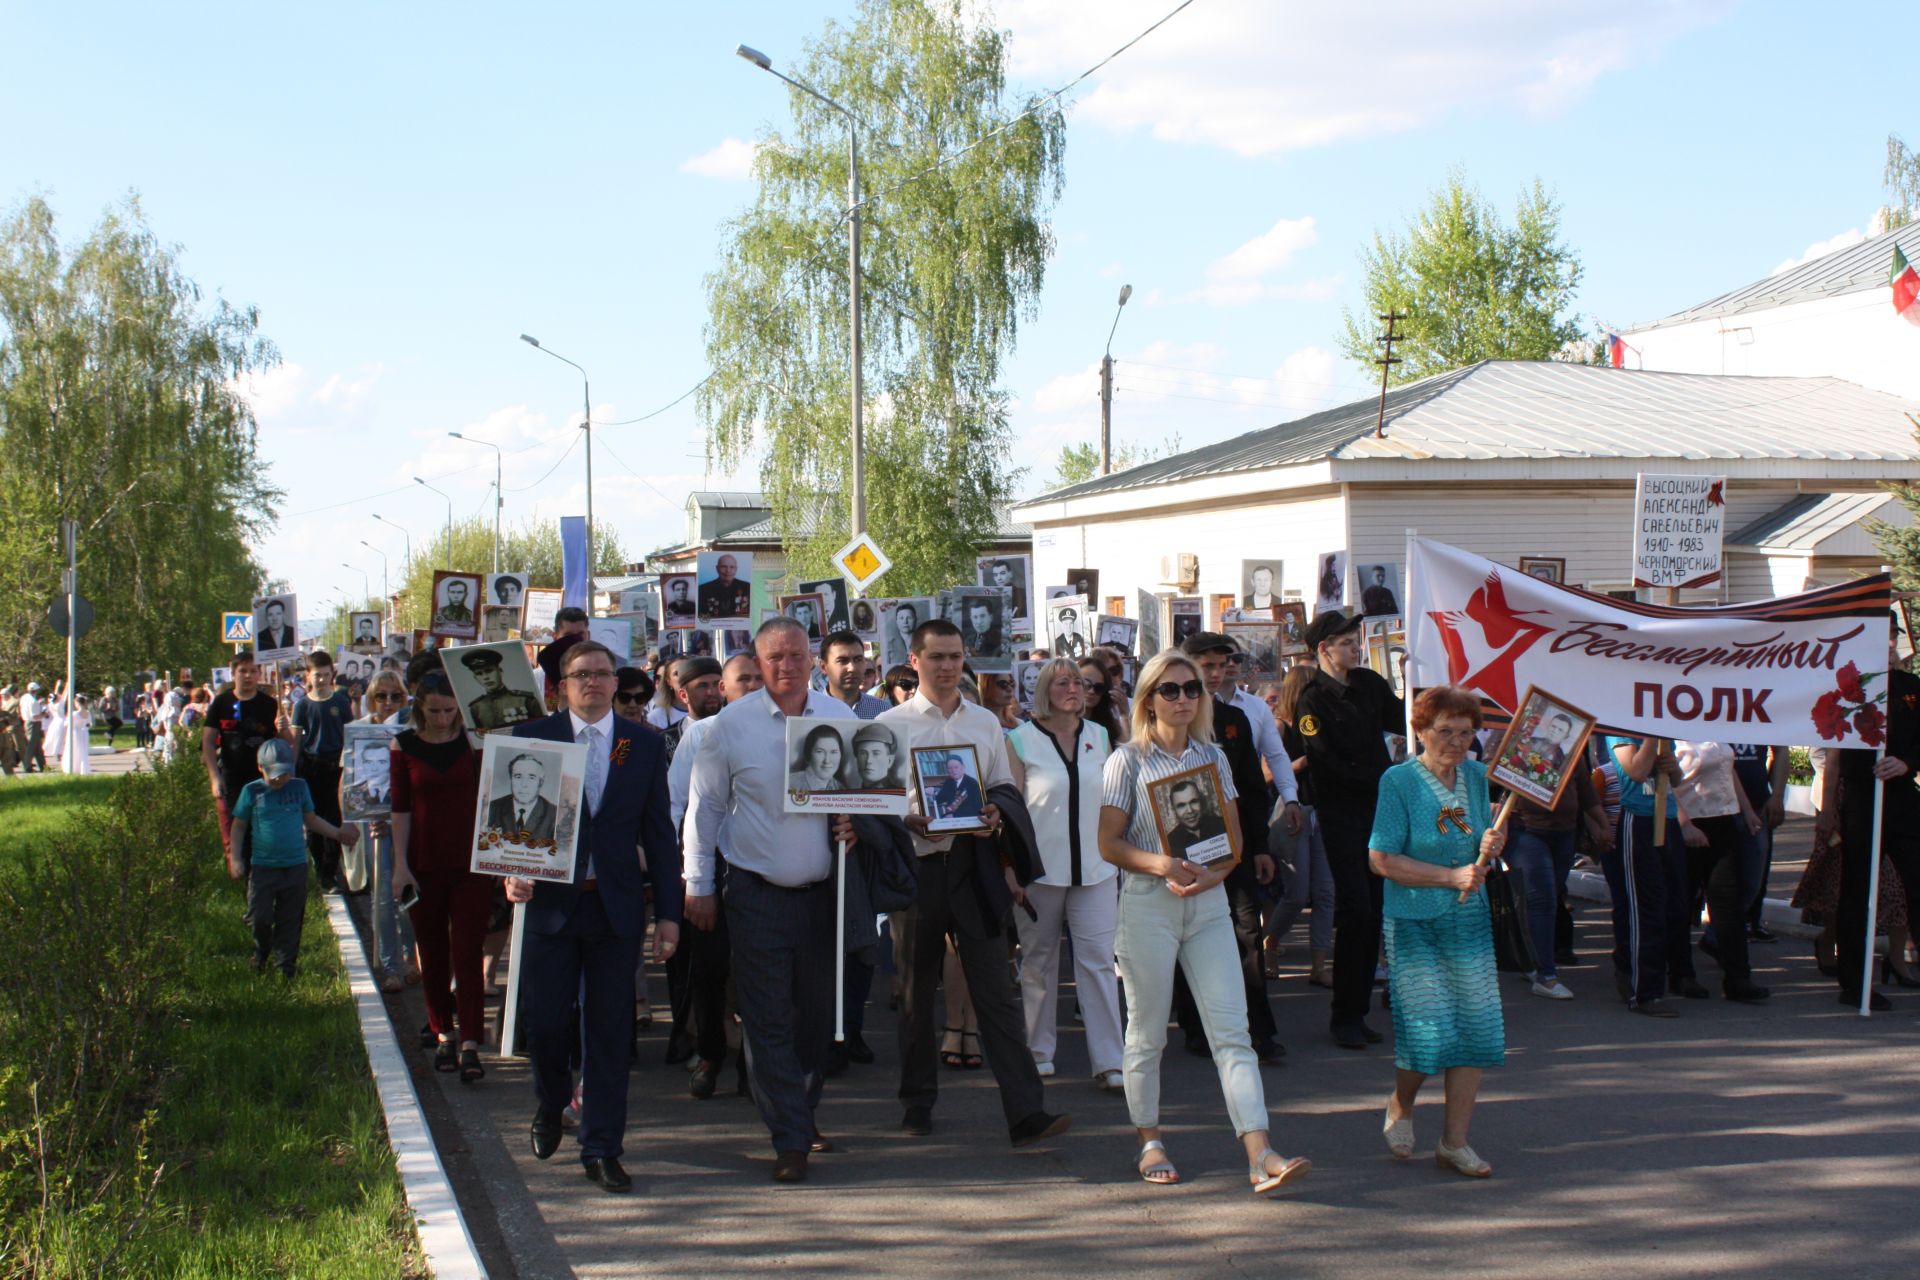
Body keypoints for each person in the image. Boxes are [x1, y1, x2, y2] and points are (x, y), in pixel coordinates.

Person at [1098, 649, 1310, 1194]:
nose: (1184, 698)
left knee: (1233, 1032)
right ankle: (1150, 1141)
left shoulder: (1214, 758)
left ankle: (1260, 1152)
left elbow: (1233, 842)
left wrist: (1212, 878)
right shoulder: (1127, 761)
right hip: (1148, 901)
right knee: (1147, 1034)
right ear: (1148, 699)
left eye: (1191, 688)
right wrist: (1162, 864)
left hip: (1209, 903)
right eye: (1170, 690)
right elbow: (1110, 843)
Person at [683, 619, 866, 1180]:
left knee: (815, 1018)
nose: (785, 666)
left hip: (823, 895)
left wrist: (855, 822)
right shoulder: (728, 727)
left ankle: (800, 1111)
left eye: (795, 655)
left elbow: (870, 796)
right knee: (766, 1018)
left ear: (812, 658)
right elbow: (704, 810)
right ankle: (789, 1134)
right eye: (773, 658)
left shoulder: (841, 720)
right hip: (755, 893)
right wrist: (699, 885)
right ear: (757, 665)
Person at [878, 619, 1069, 1149]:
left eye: (955, 657)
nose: (946, 666)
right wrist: (905, 819)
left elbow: (1005, 786)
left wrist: (994, 810)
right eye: (936, 656)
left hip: (971, 866)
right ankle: (917, 1102)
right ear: (914, 661)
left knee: (996, 993)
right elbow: (874, 800)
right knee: (916, 994)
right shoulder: (890, 723)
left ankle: (1026, 1111)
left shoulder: (985, 723)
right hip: (918, 869)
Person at [504, 639, 680, 1194]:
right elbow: (508, 821)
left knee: (608, 1030)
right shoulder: (534, 739)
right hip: (550, 906)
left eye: (604, 674)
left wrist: (669, 913)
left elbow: (658, 832)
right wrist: (510, 870)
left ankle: (602, 1146)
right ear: (562, 684)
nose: (595, 683)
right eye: (582, 675)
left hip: (615, 907)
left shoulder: (638, 746)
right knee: (548, 1023)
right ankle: (552, 1100)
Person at [1369, 686, 1506, 1177]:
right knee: (1428, 1033)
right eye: (1444, 731)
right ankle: (1402, 1103)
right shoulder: (1398, 781)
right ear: (1421, 731)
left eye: (1465, 733)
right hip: (1413, 918)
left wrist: (1494, 841)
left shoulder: (1475, 775)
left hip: (1468, 916)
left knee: (1475, 1028)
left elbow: (1478, 840)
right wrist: (1448, 877)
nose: (1455, 742)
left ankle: (1454, 1142)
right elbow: (1381, 859)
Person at [1291, 609, 1405, 1048]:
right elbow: (1323, 759)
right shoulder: (1312, 698)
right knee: (1355, 909)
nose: (1357, 648)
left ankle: (1358, 1010)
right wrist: (1377, 780)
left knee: (1374, 910)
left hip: (1380, 811)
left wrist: (1411, 680)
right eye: (1348, 643)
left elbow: (1402, 721)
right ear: (1325, 650)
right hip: (1342, 814)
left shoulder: (1370, 685)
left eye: (1356, 641)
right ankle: (1345, 1015)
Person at [1007, 658, 1122, 1089]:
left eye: (1078, 682)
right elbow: (1011, 812)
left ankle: (1110, 1060)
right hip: (1039, 872)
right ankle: (1038, 1052)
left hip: (1096, 869)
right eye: (1062, 682)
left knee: (1097, 964)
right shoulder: (1020, 740)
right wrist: (1011, 869)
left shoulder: (1101, 736)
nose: (1073, 688)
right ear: (1044, 691)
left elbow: (1114, 799)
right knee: (1037, 963)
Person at [387, 673, 491, 1078]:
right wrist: (400, 865)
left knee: (467, 950)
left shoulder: (474, 743)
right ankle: (442, 1033)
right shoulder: (404, 746)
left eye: (451, 710)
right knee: (432, 954)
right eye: (434, 711)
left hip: (471, 864)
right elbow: (400, 809)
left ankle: (470, 1043)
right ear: (419, 708)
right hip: (422, 864)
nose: (444, 718)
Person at [1817, 617, 1920, 1010]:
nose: (1887, 644)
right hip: (1861, 798)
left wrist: (1906, 763)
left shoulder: (1912, 689)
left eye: (1892, 637)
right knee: (1858, 891)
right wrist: (1828, 810)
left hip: (1902, 797)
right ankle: (1855, 983)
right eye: (1880, 637)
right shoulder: (1849, 692)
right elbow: (1834, 753)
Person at [227, 739, 359, 977]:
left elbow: (311, 820)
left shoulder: (299, 788)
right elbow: (238, 827)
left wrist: (338, 834)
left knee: (290, 919)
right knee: (260, 917)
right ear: (260, 768)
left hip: (295, 867)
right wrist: (235, 858)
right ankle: (262, 949)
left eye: (285, 773)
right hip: (263, 868)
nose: (280, 779)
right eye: (274, 775)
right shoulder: (252, 791)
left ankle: (285, 967)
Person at [1506, 740, 1610, 1000]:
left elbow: (1586, 793)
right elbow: (1494, 780)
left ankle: (1530, 960)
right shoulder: (1515, 744)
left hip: (1563, 834)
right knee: (1542, 898)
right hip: (1525, 830)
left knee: (1550, 897)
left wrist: (1602, 824)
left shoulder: (1572, 752)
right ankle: (1546, 976)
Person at [1670, 741, 1770, 1003]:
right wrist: (1684, 824)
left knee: (1729, 904)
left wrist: (1747, 810)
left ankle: (1738, 979)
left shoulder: (1715, 726)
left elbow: (1729, 769)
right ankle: (1681, 975)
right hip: (1690, 824)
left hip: (1724, 821)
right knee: (1681, 904)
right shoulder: (1671, 734)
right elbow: (1664, 780)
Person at [1600, 733, 1686, 1016]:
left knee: (1672, 906)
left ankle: (1657, 974)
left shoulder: (1665, 731)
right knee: (1644, 907)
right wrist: (1653, 736)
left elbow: (1678, 780)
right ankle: (1645, 991)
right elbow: (1636, 772)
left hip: (1668, 818)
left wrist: (1672, 766)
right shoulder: (1621, 730)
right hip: (1638, 821)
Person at [1267, 664, 1335, 987]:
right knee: (1297, 893)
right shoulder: (1280, 727)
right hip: (1292, 811)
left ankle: (1319, 966)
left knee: (1325, 892)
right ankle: (1270, 943)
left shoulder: (1317, 726)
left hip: (1321, 810)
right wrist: (1307, 760)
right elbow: (1266, 773)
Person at [351, 671, 418, 991]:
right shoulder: (359, 731)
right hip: (375, 822)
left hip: (408, 821)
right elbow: (348, 781)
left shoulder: (413, 731)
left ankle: (410, 957)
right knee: (381, 896)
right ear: (371, 699)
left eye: (396, 696)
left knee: (407, 890)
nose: (389, 702)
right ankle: (390, 965)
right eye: (382, 696)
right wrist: (351, 818)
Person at [203, 650, 295, 880]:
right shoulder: (221, 703)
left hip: (263, 779)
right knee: (237, 830)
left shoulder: (269, 704)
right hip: (232, 778)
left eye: (253, 671)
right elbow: (207, 742)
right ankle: (244, 880)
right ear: (233, 673)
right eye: (243, 671)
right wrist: (215, 777)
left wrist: (283, 727)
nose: (248, 676)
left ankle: (260, 880)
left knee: (262, 832)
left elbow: (288, 745)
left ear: (259, 674)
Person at [291, 650, 354, 893]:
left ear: (332, 675)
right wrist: (294, 771)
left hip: (336, 765)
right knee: (313, 819)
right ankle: (320, 868)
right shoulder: (302, 705)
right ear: (308, 676)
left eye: (326, 675)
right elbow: (297, 740)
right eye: (317, 675)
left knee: (334, 817)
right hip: (311, 766)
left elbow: (350, 735)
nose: (321, 680)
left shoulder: (340, 701)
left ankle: (330, 871)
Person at [458, 647, 545, 731]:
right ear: (475, 678)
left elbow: (542, 729)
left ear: (500, 671)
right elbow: (480, 738)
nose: (485, 677)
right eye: (479, 673)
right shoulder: (476, 707)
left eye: (489, 671)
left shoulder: (526, 700)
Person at [487, 753, 559, 840]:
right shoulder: (491, 809)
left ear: (540, 782)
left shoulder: (554, 815)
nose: (524, 784)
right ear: (511, 779)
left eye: (531, 777)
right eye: (518, 777)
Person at [820, 631, 888, 720]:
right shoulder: (810, 711)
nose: (852, 668)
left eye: (858, 660)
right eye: (842, 661)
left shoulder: (882, 712)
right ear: (823, 667)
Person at [534, 607, 590, 703]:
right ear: (555, 637)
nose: (575, 640)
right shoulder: (536, 678)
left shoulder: (600, 673)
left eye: (580, 634)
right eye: (568, 636)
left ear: (588, 635)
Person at [792, 725, 848, 793]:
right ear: (808, 754)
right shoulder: (791, 783)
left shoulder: (841, 788)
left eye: (833, 752)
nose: (827, 760)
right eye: (820, 752)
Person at [928, 752, 983, 820]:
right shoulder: (948, 782)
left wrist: (954, 815)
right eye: (950, 768)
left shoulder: (972, 783)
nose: (953, 770)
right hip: (950, 819)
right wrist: (933, 792)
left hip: (969, 820)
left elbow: (976, 808)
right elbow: (940, 798)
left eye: (956, 767)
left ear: (963, 767)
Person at [698, 553, 751, 620]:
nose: (728, 571)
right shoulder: (703, 589)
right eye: (724, 567)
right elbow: (702, 616)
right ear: (717, 568)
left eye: (732, 567)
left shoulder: (747, 587)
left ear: (736, 569)